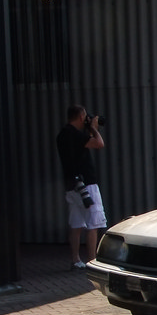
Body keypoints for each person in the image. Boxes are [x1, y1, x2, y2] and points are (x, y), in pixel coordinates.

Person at [56, 105, 107, 269]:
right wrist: (93, 128)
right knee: (94, 223)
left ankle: (75, 260)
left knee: (76, 223)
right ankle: (92, 262)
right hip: (87, 185)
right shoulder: (76, 135)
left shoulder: (62, 135)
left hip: (72, 185)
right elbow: (99, 143)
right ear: (80, 117)